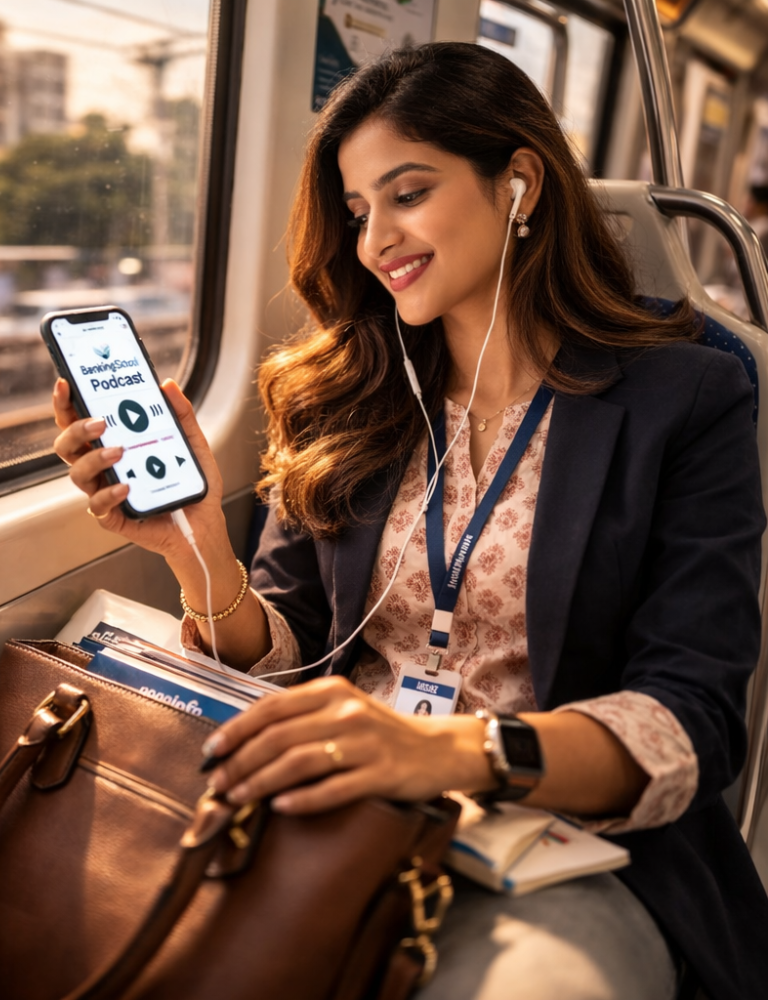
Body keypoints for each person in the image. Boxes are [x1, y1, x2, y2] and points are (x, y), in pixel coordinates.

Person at [53, 43, 768, 1000]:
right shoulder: (350, 393)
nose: (375, 240)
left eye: (409, 193)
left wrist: (449, 752)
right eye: (358, 212)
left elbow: (692, 720)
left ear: (519, 182)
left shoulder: (686, 398)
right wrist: (199, 551)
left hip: (568, 842)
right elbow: (297, 649)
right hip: (346, 812)